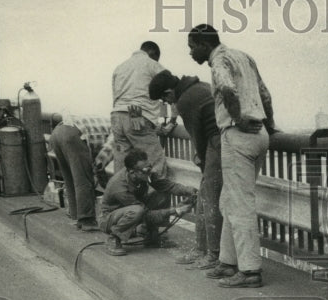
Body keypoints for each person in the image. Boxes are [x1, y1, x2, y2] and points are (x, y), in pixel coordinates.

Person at [187, 23, 277, 288]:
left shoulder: (219, 62)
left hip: (237, 135)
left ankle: (250, 271)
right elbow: (265, 94)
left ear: (205, 45)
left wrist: (238, 119)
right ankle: (228, 262)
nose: (191, 53)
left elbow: (227, 89)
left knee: (239, 205)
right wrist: (269, 125)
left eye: (192, 48)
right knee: (229, 199)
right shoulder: (244, 57)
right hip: (259, 135)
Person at [149, 70, 223, 269]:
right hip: (221, 143)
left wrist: (201, 160)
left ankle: (212, 254)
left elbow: (197, 136)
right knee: (207, 198)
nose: (168, 103)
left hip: (217, 145)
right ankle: (203, 249)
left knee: (210, 200)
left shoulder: (185, 100)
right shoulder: (201, 86)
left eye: (165, 99)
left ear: (168, 92)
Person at [99, 148, 196, 257]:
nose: (150, 172)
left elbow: (169, 186)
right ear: (132, 172)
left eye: (150, 167)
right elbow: (145, 215)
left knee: (162, 194)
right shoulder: (119, 187)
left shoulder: (144, 173)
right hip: (110, 219)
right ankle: (114, 238)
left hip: (132, 210)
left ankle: (151, 236)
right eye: (146, 171)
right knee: (137, 210)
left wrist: (190, 191)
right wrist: (176, 210)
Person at [111, 40, 171, 177]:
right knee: (154, 161)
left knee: (122, 166)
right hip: (135, 112)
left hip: (116, 115)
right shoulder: (152, 64)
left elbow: (115, 97)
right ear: (153, 54)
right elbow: (169, 90)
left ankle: (122, 196)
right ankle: (156, 197)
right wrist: (171, 120)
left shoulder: (120, 67)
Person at [48, 112, 99, 231]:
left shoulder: (111, 122)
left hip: (57, 132)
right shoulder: (116, 133)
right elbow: (102, 159)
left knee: (70, 178)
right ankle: (87, 220)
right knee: (83, 179)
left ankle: (77, 216)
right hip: (73, 134)